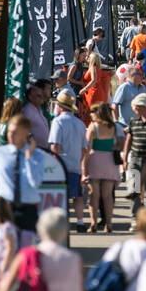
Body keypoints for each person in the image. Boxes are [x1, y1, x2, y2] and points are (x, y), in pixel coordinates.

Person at [0, 114, 46, 234]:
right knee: (5, 246)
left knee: (25, 247)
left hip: (27, 207)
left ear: (25, 134)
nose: (10, 135)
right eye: (9, 131)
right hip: (4, 206)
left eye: (15, 132)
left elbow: (35, 181)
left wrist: (28, 158)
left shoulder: (37, 155)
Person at [49, 89, 88, 233]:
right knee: (77, 196)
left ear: (59, 106)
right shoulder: (80, 124)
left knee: (61, 196)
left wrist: (53, 164)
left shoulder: (57, 122)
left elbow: (55, 146)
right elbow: (85, 148)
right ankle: (80, 222)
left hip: (61, 165)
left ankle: (62, 222)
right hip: (76, 165)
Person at [82, 102, 122, 233]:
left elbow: (87, 149)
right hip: (109, 161)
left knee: (93, 195)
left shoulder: (93, 127)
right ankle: (109, 224)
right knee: (108, 196)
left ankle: (93, 223)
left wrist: (83, 167)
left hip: (95, 161)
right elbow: (118, 144)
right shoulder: (113, 127)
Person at [122, 93, 146, 205]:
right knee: (134, 189)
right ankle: (135, 217)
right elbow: (129, 140)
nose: (135, 108)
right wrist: (125, 158)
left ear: (145, 107)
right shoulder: (133, 120)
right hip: (135, 159)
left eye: (138, 106)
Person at [112, 64, 146, 129]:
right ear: (132, 76)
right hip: (125, 125)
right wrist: (116, 121)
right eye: (140, 75)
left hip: (140, 125)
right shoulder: (124, 87)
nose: (142, 76)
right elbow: (114, 105)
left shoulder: (143, 88)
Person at [21, 82, 52, 147]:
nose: (41, 98)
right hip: (34, 150)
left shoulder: (39, 109)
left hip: (43, 150)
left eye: (41, 96)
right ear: (30, 97)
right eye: (38, 96)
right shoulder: (27, 111)